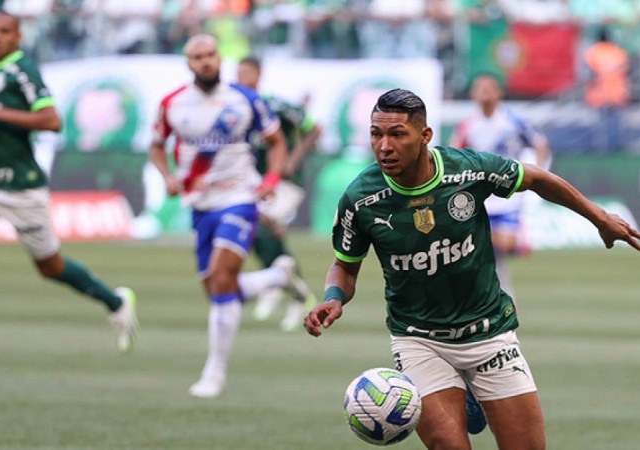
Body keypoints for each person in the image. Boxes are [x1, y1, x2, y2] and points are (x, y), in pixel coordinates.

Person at [303, 88, 640, 450]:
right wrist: (334, 297)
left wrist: (600, 218)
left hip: (489, 333)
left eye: (397, 134)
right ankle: (459, 390)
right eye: (376, 134)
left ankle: (470, 392)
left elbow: (537, 178)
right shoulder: (361, 198)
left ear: (425, 136)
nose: (384, 146)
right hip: (419, 340)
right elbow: (344, 266)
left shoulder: (468, 169)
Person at [0, 11, 138, 370]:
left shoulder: (21, 70)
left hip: (22, 191)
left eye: (4, 31)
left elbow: (51, 120)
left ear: (18, 38)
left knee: (50, 266)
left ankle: (116, 302)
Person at [149, 34, 309, 398]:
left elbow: (277, 143)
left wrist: (270, 179)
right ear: (188, 64)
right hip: (199, 203)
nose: (206, 62)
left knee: (222, 276)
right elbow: (156, 145)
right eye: (197, 57)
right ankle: (275, 277)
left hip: (240, 197)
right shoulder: (172, 104)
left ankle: (214, 373)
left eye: (210, 55)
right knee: (217, 289)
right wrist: (168, 177)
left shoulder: (245, 99)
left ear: (218, 59)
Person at [236, 56, 320, 332]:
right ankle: (286, 286)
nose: (241, 79)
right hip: (260, 184)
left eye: (246, 73)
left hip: (285, 181)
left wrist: (293, 158)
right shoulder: (239, 109)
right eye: (238, 74)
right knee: (254, 234)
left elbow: (313, 128)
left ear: (258, 76)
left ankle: (289, 290)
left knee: (264, 227)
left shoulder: (274, 105)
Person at [449, 73, 550, 295]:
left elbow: (540, 144)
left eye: (489, 88)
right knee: (484, 249)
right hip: (481, 194)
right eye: (479, 88)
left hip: (509, 192)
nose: (484, 93)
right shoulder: (468, 125)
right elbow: (453, 153)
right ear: (473, 94)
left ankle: (512, 250)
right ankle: (500, 290)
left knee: (502, 244)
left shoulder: (513, 121)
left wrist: (538, 174)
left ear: (498, 93)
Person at [583, 27, 629, 153]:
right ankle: (616, 149)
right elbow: (626, 71)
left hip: (598, 94)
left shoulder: (594, 52)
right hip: (616, 93)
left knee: (600, 126)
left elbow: (588, 73)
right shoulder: (618, 52)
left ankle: (601, 150)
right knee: (616, 125)